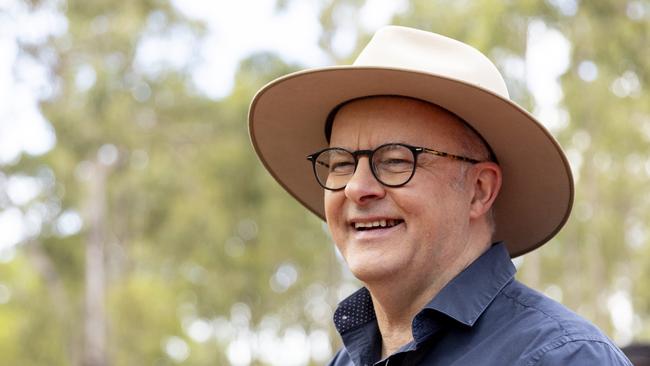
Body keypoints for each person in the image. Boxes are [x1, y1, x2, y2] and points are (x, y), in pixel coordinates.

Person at [248, 26, 631, 365]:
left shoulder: (565, 357)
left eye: (396, 160)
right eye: (341, 163)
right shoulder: (344, 361)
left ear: (479, 191)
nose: (357, 188)